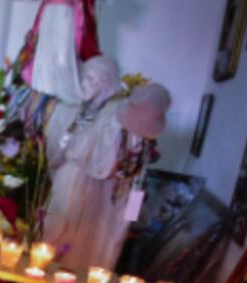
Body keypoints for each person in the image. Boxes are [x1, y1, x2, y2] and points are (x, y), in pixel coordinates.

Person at [42, 56, 170, 271]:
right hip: (66, 186)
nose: (82, 84)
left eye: (89, 79)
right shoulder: (79, 109)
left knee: (84, 250)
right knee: (54, 238)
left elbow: (137, 180)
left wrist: (130, 219)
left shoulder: (120, 121)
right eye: (83, 78)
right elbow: (59, 150)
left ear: (104, 82)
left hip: (98, 199)